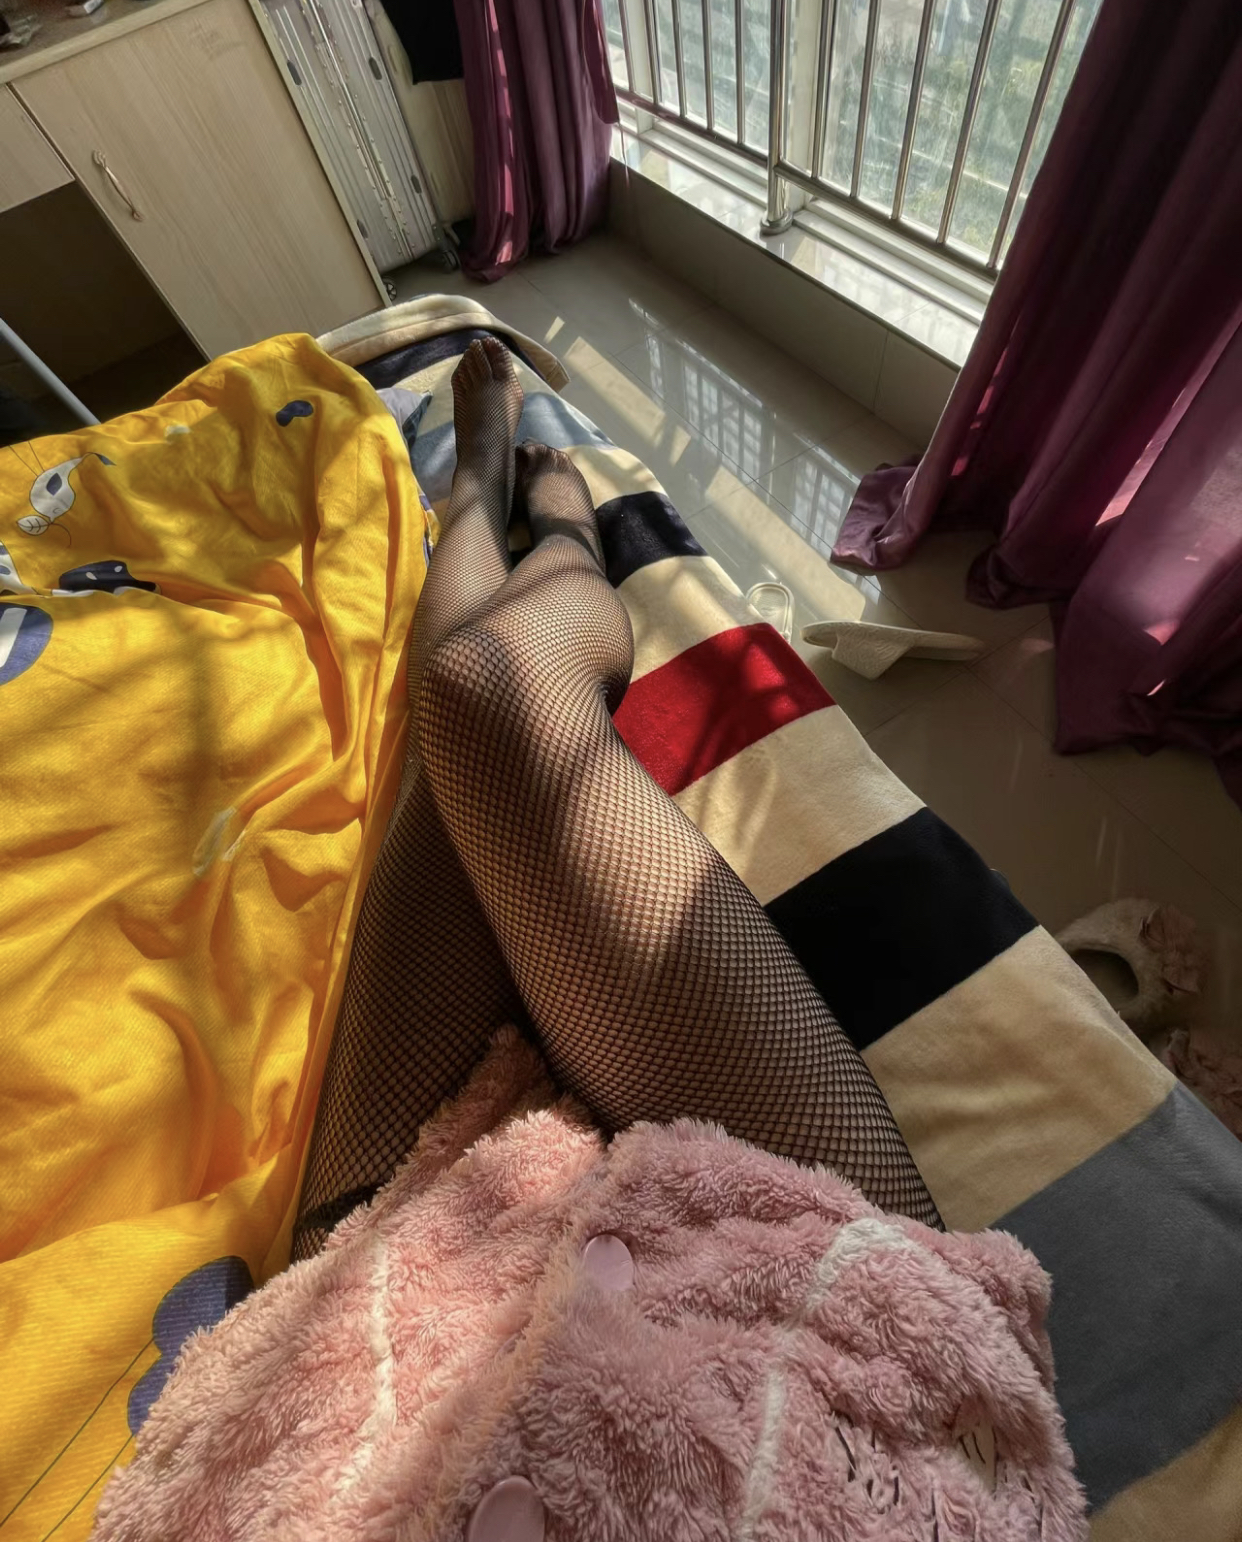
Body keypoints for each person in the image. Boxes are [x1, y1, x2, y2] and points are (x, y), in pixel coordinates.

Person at [294, 336, 939, 1260]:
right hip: (818, 1302)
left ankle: (486, 493)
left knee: (465, 716)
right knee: (479, 695)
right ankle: (557, 541)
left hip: (389, 1297)